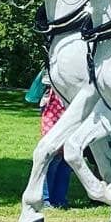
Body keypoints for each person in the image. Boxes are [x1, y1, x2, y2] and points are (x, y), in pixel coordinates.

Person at [36, 73, 72, 209]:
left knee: (67, 158)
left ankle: (59, 198)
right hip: (54, 108)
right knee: (52, 155)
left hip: (68, 108)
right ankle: (46, 199)